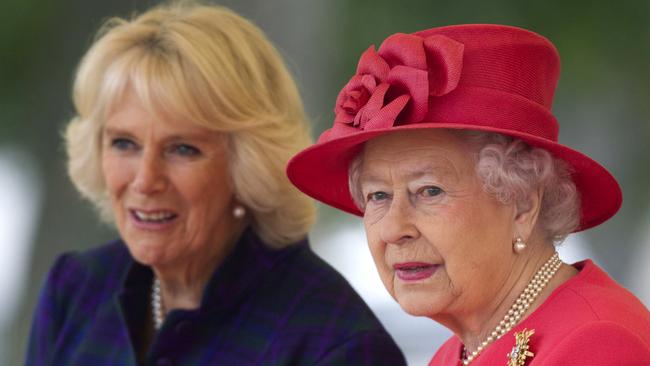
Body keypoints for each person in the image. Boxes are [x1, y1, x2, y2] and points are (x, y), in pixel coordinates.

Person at [26, 3, 406, 365]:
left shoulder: (336, 345)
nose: (145, 180)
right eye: (124, 143)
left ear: (249, 164)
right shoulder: (74, 289)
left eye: (182, 149)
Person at [287, 24, 650, 365]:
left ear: (522, 203)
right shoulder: (457, 352)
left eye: (429, 191)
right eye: (378, 196)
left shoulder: (598, 345)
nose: (393, 229)